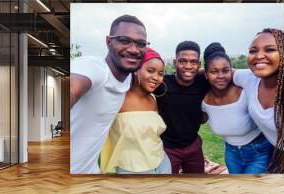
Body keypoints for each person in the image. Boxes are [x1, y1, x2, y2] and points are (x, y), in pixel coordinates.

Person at [70, 15, 148, 174]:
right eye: (124, 40)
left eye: (140, 43)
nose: (134, 49)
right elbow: (73, 87)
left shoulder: (127, 78)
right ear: (109, 42)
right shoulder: (94, 69)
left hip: (89, 172)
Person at [201, 42, 275, 174]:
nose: (221, 76)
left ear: (232, 70)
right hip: (231, 153)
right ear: (205, 74)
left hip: (259, 151)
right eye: (214, 71)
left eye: (225, 70)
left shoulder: (244, 90)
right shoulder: (203, 100)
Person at [98, 47, 171, 174]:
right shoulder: (118, 99)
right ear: (136, 70)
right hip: (131, 170)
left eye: (160, 73)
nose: (156, 77)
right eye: (150, 71)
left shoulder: (153, 99)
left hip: (162, 164)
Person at [233, 28, 284, 173]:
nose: (259, 56)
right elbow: (221, 72)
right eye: (253, 51)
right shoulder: (250, 78)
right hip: (273, 155)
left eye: (269, 49)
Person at [154, 41, 210, 174]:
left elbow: (223, 74)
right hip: (167, 148)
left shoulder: (204, 83)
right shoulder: (162, 85)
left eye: (193, 62)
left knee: (196, 186)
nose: (188, 66)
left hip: (193, 145)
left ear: (199, 65)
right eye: (182, 61)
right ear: (174, 63)